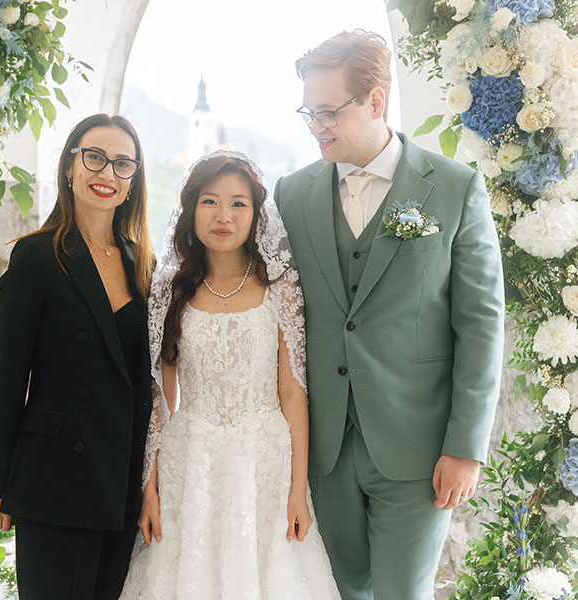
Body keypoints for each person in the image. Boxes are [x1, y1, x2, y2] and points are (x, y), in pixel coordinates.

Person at [274, 31, 505, 599]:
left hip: (419, 447)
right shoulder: (291, 194)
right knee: (340, 591)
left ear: (376, 102)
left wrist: (466, 447)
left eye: (329, 111)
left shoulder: (454, 188)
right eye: (309, 111)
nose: (316, 125)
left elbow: (480, 325)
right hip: (323, 448)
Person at [120, 151, 340, 599]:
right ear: (190, 209)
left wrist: (298, 491)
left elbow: (294, 394)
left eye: (239, 203)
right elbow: (161, 396)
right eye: (210, 201)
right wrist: (149, 487)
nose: (224, 216)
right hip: (190, 460)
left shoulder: (282, 287)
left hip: (265, 462)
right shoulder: (170, 287)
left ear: (257, 214)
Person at [0, 114, 155, 599]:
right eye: (95, 158)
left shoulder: (142, 263)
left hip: (120, 477)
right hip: (53, 478)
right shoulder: (37, 257)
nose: (107, 174)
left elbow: (146, 382)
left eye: (123, 164)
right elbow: (10, 377)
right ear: (69, 167)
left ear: (133, 180)